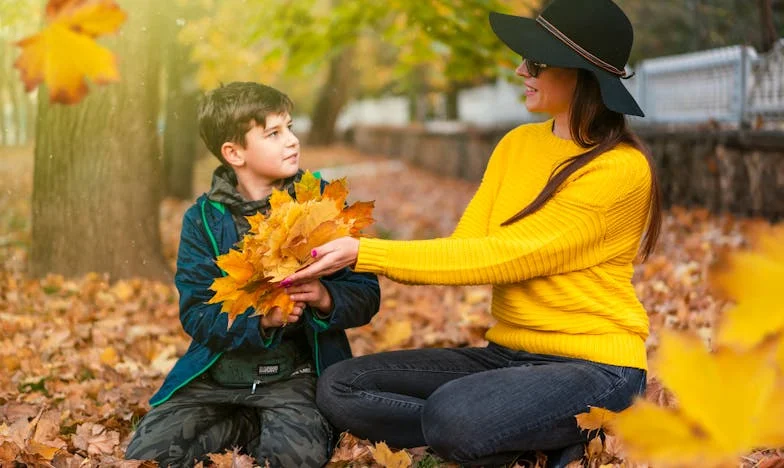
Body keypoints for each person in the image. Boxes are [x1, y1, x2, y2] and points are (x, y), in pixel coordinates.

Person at [281, 0, 661, 466]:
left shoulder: (620, 169)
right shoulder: (516, 145)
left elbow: (506, 256)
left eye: (537, 62)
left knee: (453, 416)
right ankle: (525, 436)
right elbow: (465, 251)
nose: (522, 70)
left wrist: (364, 253)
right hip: (506, 356)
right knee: (341, 386)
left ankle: (503, 430)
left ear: (581, 75)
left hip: (595, 368)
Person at [125, 82, 380, 467]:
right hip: (219, 375)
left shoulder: (321, 202)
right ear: (234, 153)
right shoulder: (203, 221)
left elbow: (365, 292)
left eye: (290, 128)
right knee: (146, 454)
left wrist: (326, 299)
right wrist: (263, 321)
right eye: (273, 134)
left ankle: (270, 426)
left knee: (293, 458)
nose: (292, 141)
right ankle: (244, 425)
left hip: (296, 374)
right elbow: (196, 312)